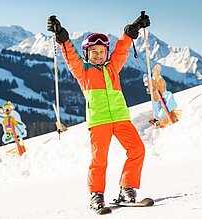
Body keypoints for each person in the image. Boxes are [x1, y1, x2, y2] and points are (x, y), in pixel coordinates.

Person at [47, 13, 151, 211]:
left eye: (101, 51)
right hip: (99, 120)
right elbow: (72, 59)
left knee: (137, 150)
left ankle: (127, 189)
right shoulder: (84, 72)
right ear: (87, 54)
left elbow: (121, 52)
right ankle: (96, 195)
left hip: (121, 118)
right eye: (93, 52)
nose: (98, 55)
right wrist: (62, 37)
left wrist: (130, 33)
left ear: (106, 52)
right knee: (99, 160)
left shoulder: (113, 68)